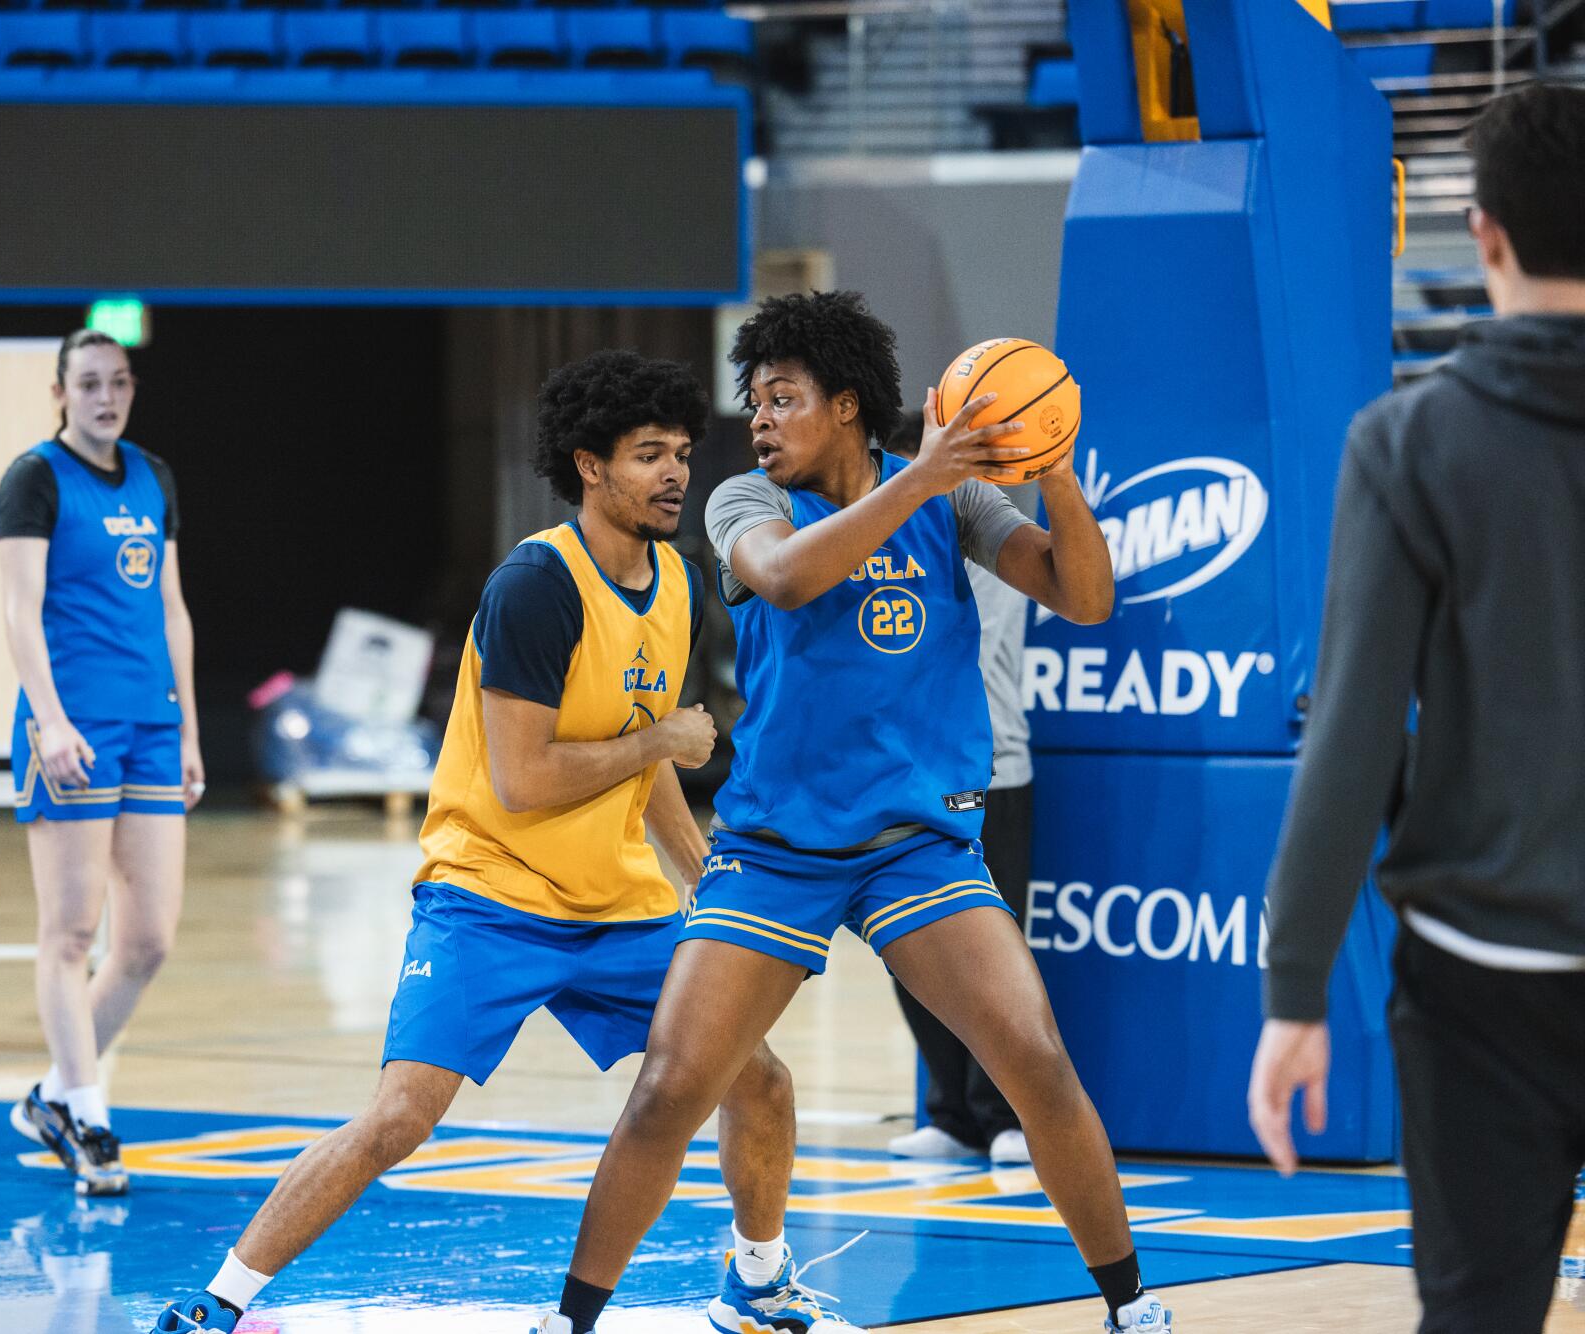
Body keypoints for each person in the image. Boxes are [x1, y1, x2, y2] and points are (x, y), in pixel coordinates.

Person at [541, 291, 1171, 1334]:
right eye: (753, 402)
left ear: (844, 406)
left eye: (780, 399)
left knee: (1036, 1059)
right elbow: (787, 579)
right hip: (776, 845)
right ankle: (571, 1320)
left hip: (916, 847)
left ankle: (1131, 1305)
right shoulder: (744, 501)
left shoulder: (956, 505)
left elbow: (1083, 595)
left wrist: (1050, 463)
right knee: (668, 1086)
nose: (758, 422)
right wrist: (922, 469)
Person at [153, 351, 808, 1334]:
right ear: (589, 466)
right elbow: (527, 778)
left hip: (617, 901)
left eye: (679, 453)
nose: (674, 473)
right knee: (398, 1119)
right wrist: (665, 736)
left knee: (756, 1076)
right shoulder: (533, 586)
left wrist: (706, 882)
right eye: (647, 455)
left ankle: (756, 1281)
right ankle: (218, 1303)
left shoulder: (675, 579)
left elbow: (647, 767)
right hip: (489, 893)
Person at [1248, 83, 1585, 1334]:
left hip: (1475, 983)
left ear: (1482, 232)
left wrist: (1292, 995)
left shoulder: (1407, 441)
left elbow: (1344, 738)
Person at [0, 328, 205, 1197]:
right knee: (71, 933)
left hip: (151, 725)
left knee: (148, 938)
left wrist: (190, 729)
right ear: (61, 393)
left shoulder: (154, 477)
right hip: (72, 728)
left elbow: (173, 608)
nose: (105, 397)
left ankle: (50, 1094)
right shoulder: (34, 478)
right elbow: (20, 607)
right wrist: (49, 722)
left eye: (118, 381)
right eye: (88, 383)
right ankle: (86, 1110)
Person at [880, 413, 1035, 1168]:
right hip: (903, 778)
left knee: (993, 952)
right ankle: (950, 1109)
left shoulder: (979, 525)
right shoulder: (876, 532)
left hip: (990, 770)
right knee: (908, 950)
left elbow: (963, 643)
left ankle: (1001, 1111)